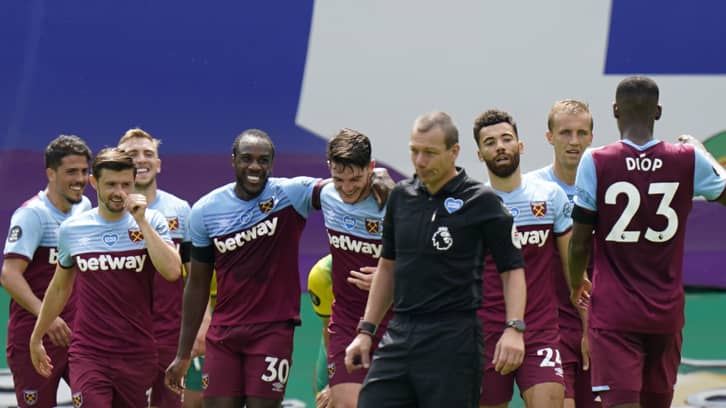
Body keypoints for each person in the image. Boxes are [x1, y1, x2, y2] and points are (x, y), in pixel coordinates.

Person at [345, 111, 526, 408]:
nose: (419, 161)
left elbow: (512, 269)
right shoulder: (401, 197)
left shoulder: (481, 201)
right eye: (414, 151)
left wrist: (514, 328)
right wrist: (366, 332)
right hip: (400, 333)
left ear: (454, 152)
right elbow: (388, 267)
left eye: (429, 153)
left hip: (453, 339)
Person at [568, 76, 726, 408]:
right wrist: (704, 154)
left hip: (614, 311)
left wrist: (575, 281)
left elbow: (580, 240)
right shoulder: (687, 158)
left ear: (614, 111)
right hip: (665, 311)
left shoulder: (595, 160)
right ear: (658, 112)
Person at [164, 129, 326, 408]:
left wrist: (374, 179)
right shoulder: (206, 210)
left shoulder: (291, 194)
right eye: (246, 158)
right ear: (233, 160)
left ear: (272, 163)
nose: (255, 166)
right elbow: (198, 283)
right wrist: (183, 353)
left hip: (272, 331)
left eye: (263, 160)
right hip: (224, 334)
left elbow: (342, 189)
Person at [29, 147, 182, 407]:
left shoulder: (152, 221)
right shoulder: (73, 229)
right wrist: (36, 336)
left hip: (137, 353)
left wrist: (142, 222)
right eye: (111, 184)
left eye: (126, 184)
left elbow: (172, 271)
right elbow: (58, 288)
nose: (119, 192)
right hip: (89, 353)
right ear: (93, 182)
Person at [474, 109, 571, 407]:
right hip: (486, 334)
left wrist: (587, 326)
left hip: (540, 331)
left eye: (506, 139)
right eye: (490, 142)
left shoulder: (550, 196)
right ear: (480, 154)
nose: (500, 146)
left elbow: (573, 270)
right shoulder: (473, 205)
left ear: (521, 145)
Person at [1, 135, 91, 408]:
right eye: (71, 172)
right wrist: (47, 317)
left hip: (77, 336)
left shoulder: (85, 208)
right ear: (51, 173)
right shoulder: (32, 215)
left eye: (85, 171)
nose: (80, 179)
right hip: (34, 337)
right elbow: (9, 274)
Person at [527, 99, 600, 407]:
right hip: (549, 325)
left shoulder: (609, 187)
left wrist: (591, 327)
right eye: (565, 133)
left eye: (582, 133)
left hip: (601, 322)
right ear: (549, 137)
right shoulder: (531, 189)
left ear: (591, 137)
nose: (574, 142)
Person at [118, 128, 192, 408]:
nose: (141, 159)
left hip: (169, 335)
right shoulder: (104, 212)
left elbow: (194, 274)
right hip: (119, 333)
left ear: (159, 164)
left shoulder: (180, 209)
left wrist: (201, 322)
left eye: (148, 154)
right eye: (132, 154)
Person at [319, 128, 391, 408]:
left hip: (396, 322)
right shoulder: (324, 194)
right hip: (348, 321)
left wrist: (390, 278)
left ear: (371, 167)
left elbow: (433, 258)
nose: (347, 188)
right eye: (339, 179)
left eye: (356, 179)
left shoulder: (395, 202)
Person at [307, 255, 333, 407]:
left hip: (391, 335)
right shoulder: (323, 274)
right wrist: (337, 382)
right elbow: (329, 328)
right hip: (345, 336)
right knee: (325, 396)